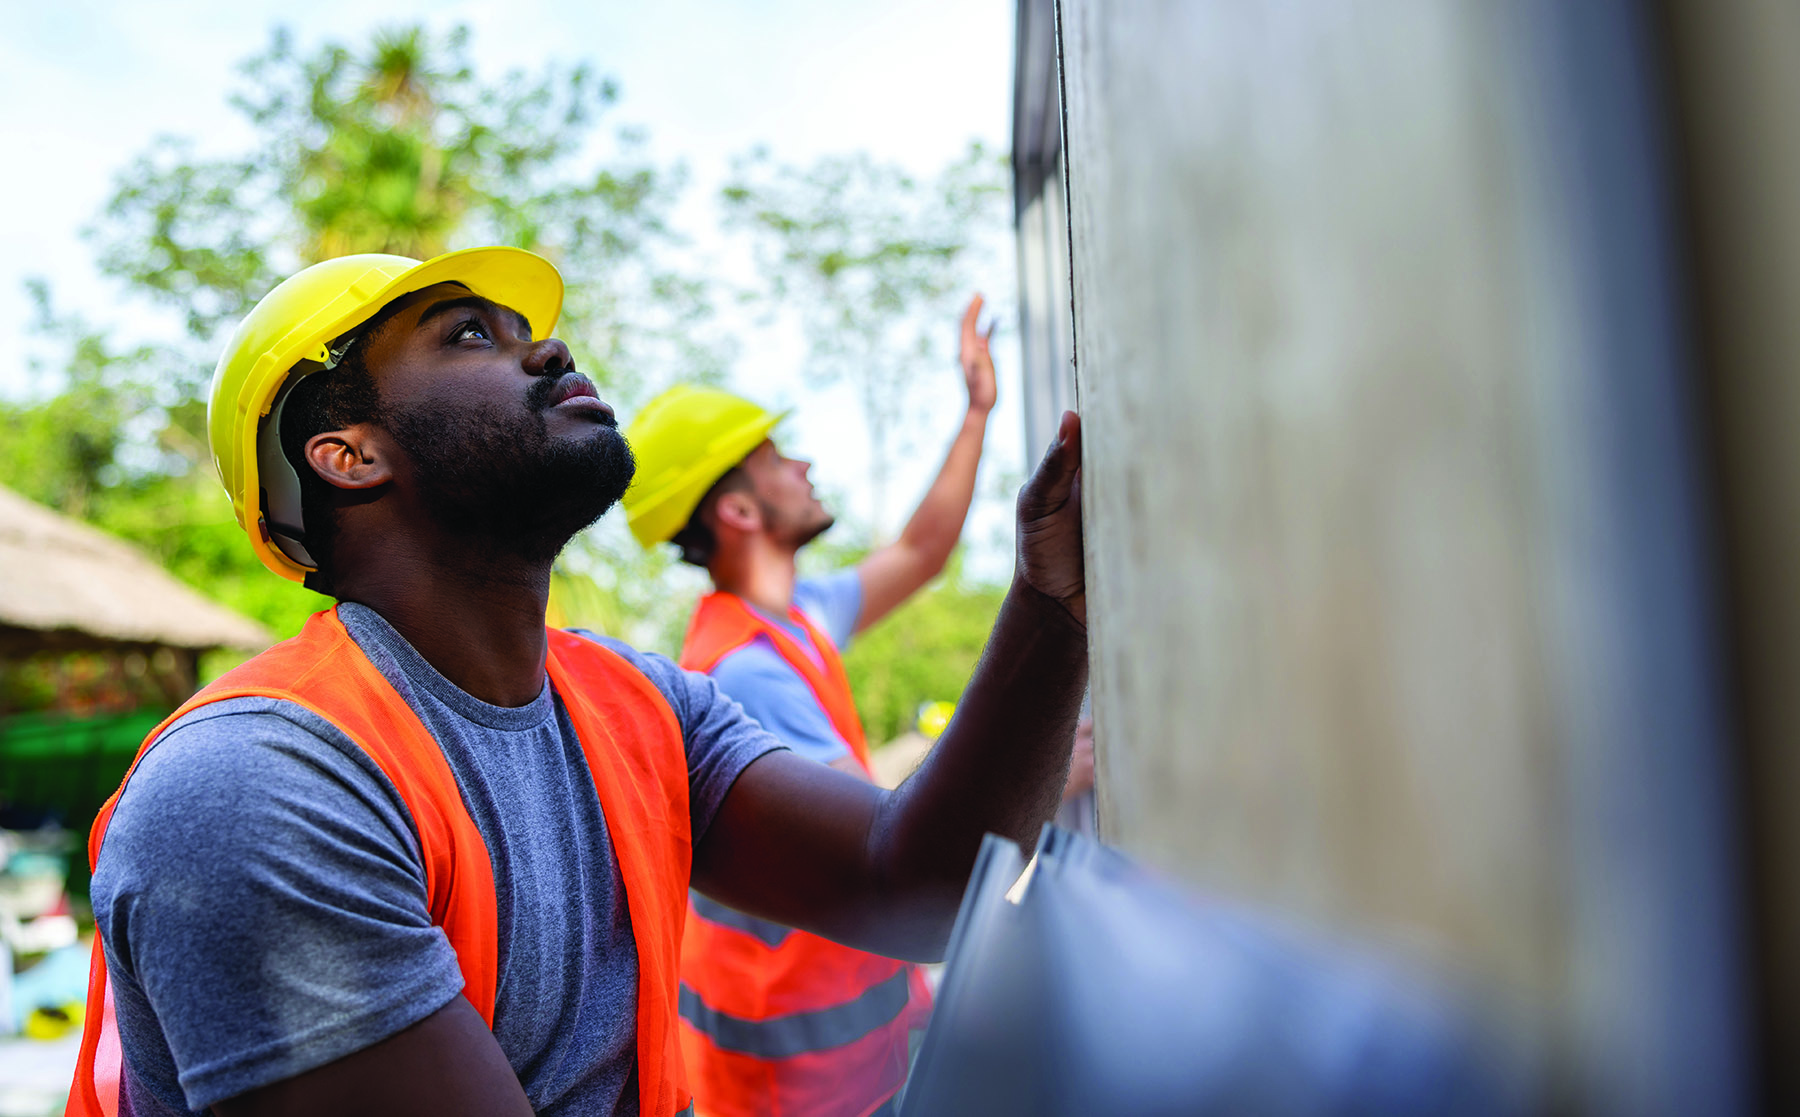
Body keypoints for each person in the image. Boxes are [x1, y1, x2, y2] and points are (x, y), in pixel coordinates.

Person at [66, 247, 1088, 1117]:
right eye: (470, 334)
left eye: (526, 331)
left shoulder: (638, 705)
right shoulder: (263, 786)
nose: (550, 348)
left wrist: (1055, 609)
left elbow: (910, 884)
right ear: (349, 455)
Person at [622, 297, 1002, 1116]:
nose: (803, 465)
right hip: (803, 1081)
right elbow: (893, 842)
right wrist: (1029, 765)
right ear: (740, 511)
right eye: (776, 458)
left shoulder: (789, 622)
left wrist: (976, 412)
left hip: (832, 1056)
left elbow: (921, 550)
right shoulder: (749, 670)